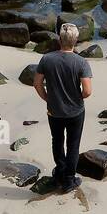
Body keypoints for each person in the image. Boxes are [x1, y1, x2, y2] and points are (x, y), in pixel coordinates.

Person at [33, 23, 92, 192]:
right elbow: (87, 91)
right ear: (76, 41)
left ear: (60, 39)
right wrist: (76, 98)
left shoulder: (47, 59)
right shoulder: (81, 62)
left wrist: (47, 98)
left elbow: (37, 83)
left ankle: (59, 170)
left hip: (54, 110)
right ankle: (69, 179)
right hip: (76, 111)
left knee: (57, 141)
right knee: (73, 144)